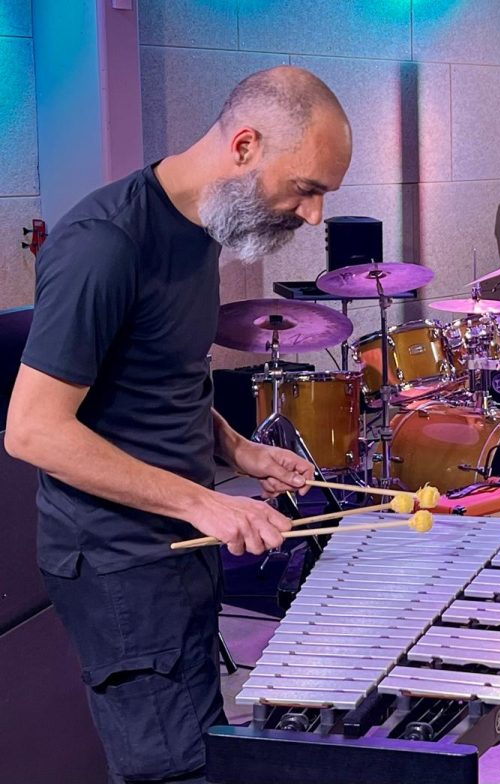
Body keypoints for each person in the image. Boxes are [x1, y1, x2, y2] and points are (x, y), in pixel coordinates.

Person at [4, 66, 352, 783]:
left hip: (178, 544)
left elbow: (162, 377)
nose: (315, 215)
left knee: (202, 747)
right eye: (306, 188)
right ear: (246, 146)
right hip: (120, 563)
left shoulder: (202, 229)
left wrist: (238, 450)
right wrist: (204, 502)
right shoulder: (105, 243)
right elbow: (32, 430)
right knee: (175, 771)